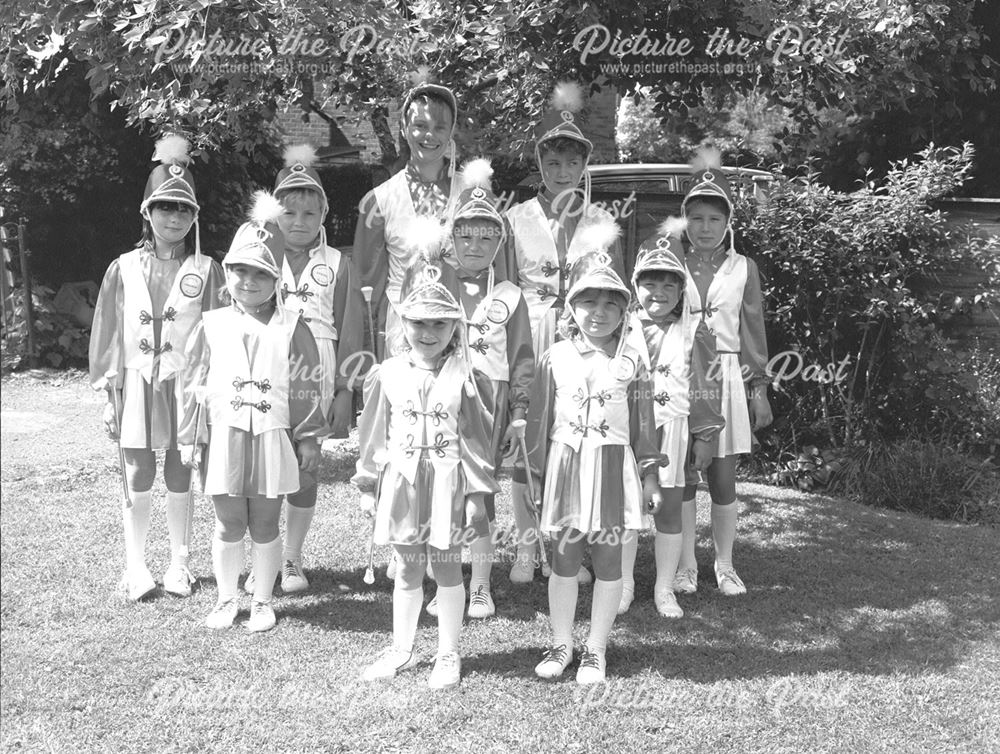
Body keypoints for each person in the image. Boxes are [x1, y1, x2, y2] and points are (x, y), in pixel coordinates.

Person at [352, 228, 499, 689]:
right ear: (404, 324)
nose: (428, 332)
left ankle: (449, 652)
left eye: (439, 324)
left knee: (447, 566)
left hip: (448, 483)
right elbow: (373, 434)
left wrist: (478, 494)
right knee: (410, 566)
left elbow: (476, 441)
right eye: (419, 323)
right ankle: (401, 648)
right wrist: (368, 483)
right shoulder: (387, 374)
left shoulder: (467, 376)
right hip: (402, 482)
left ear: (455, 327)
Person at [178, 192, 327, 632]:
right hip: (224, 434)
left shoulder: (292, 325)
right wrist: (190, 436)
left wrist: (309, 436)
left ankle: (262, 599)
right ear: (228, 274)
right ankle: (227, 598)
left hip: (270, 435)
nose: (249, 281)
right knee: (228, 521)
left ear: (275, 279)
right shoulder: (211, 323)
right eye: (240, 271)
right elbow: (193, 384)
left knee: (263, 520)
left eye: (260, 273)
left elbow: (306, 386)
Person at [520, 227, 663, 685]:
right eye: (588, 303)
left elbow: (643, 426)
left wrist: (650, 477)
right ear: (572, 308)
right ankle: (561, 642)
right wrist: (536, 477)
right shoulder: (554, 357)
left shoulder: (633, 362)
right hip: (564, 469)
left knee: (606, 564)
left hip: (612, 472)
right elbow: (540, 422)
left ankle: (595, 649)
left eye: (609, 304)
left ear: (624, 312)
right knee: (563, 562)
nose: (597, 313)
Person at [89, 134, 224, 601]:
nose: (175, 217)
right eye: (166, 207)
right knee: (138, 470)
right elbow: (107, 332)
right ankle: (136, 566)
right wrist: (111, 396)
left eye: (184, 209)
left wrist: (209, 389)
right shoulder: (122, 268)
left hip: (186, 385)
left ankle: (179, 564)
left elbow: (217, 333)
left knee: (180, 470)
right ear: (147, 211)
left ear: (195, 216)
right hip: (137, 383)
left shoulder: (209, 270)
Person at [505, 82, 625, 585]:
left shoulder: (600, 221)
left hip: (580, 339)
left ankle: (566, 544)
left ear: (583, 167)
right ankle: (525, 544)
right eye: (553, 163)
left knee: (568, 436)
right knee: (524, 435)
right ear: (541, 165)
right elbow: (506, 286)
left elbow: (614, 292)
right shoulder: (515, 219)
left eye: (571, 164)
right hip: (531, 331)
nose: (562, 173)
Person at [246, 144, 365, 594]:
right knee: (265, 462)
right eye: (290, 212)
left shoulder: (338, 263)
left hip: (318, 369)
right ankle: (264, 553)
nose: (299, 222)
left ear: (323, 217)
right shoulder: (257, 257)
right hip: (267, 370)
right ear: (273, 214)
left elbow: (353, 330)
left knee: (305, 463)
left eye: (310, 213)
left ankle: (293, 557)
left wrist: (344, 391)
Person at [424, 159, 534, 620]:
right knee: (440, 491)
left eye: (487, 236)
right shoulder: (433, 282)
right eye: (466, 235)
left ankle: (482, 585)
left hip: (489, 402)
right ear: (451, 238)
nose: (475, 244)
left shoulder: (510, 293)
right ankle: (445, 578)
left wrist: (521, 411)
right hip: (441, 402)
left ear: (499, 242)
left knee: (479, 498)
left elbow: (522, 357)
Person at [675, 150, 773, 597]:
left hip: (728, 373)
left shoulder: (743, 267)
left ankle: (725, 564)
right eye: (696, 218)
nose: (706, 227)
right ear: (685, 221)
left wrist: (759, 389)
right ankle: (684, 566)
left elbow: (753, 327)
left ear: (728, 220)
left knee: (722, 476)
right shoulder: (670, 263)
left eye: (715, 217)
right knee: (682, 474)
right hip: (679, 373)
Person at [618, 226, 724, 617]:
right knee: (626, 508)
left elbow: (705, 385)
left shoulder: (695, 331)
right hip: (625, 431)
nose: (658, 292)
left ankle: (665, 588)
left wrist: (706, 435)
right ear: (635, 284)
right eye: (649, 282)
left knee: (669, 507)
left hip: (674, 430)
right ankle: (624, 583)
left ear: (682, 290)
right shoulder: (620, 326)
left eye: (668, 284)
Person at [353, 76, 462, 361]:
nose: (431, 135)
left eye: (440, 127)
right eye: (420, 126)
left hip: (462, 322)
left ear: (452, 130)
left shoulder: (471, 194)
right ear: (403, 128)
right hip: (401, 326)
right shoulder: (379, 200)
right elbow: (367, 288)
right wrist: (369, 354)